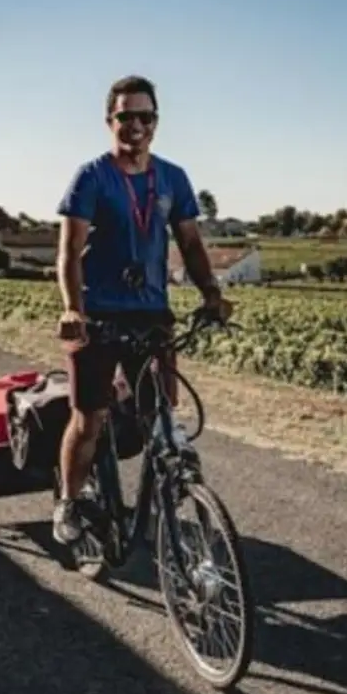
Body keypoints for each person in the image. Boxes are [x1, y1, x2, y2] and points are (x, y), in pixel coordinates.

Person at [52, 74, 232, 545]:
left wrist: (211, 293)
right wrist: (74, 309)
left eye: (145, 116)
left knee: (161, 413)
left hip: (152, 313)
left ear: (156, 122)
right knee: (89, 418)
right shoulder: (91, 177)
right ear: (109, 120)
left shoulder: (173, 177)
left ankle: (169, 496)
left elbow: (190, 244)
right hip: (96, 316)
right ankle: (69, 502)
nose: (135, 125)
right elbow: (69, 254)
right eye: (125, 116)